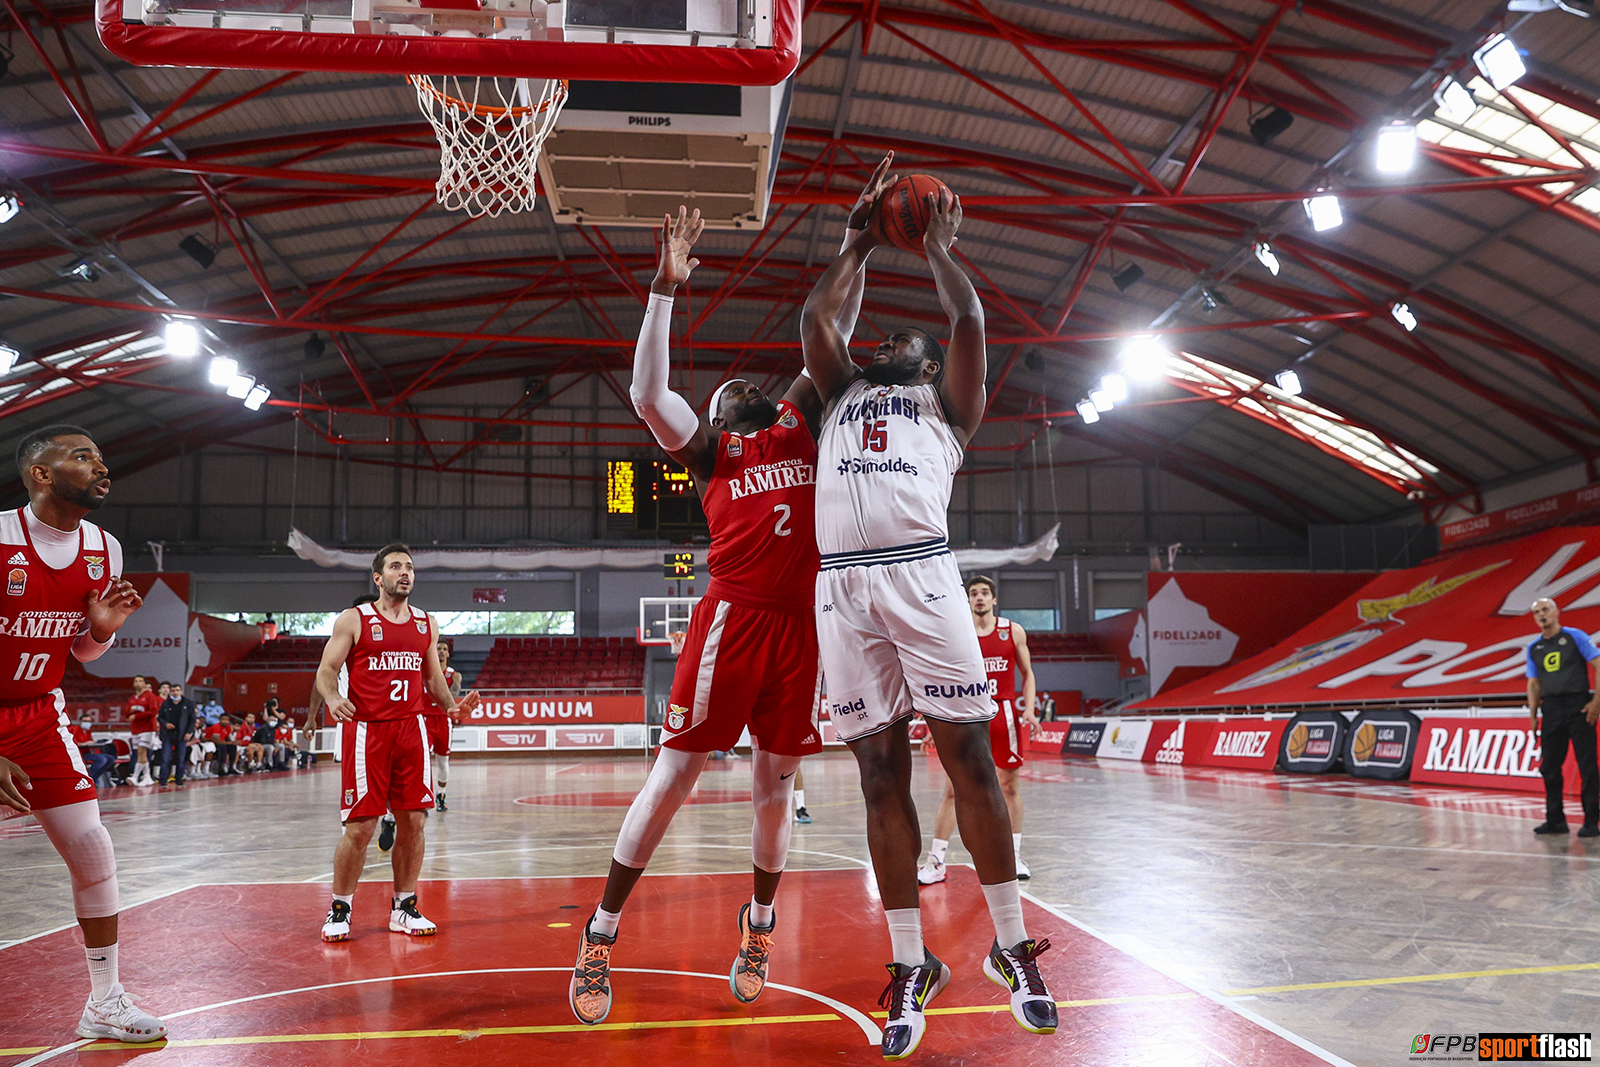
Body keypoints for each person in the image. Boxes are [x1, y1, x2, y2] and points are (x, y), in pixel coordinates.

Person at [800, 155, 1056, 1058]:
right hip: (843, 584)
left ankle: (1013, 945)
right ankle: (912, 960)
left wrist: (939, 247)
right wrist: (859, 239)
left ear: (930, 364)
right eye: (886, 341)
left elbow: (969, 317)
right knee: (878, 777)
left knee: (969, 761)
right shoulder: (837, 395)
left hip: (922, 573)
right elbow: (816, 318)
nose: (892, 343)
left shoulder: (948, 406)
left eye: (910, 341)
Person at [567, 206, 826, 1028]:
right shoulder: (717, 453)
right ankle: (601, 932)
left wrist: (856, 244)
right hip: (733, 623)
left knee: (773, 790)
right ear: (715, 417)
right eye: (727, 389)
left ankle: (758, 927)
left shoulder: (797, 427)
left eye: (752, 382)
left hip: (803, 630)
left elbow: (828, 332)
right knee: (674, 776)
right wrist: (663, 290)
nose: (743, 384)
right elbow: (648, 392)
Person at [0, 424, 166, 1043]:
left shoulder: (104, 547)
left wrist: (100, 627)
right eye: (82, 456)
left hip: (40, 715)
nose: (101, 465)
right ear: (40, 475)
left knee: (93, 850)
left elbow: (87, 655)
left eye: (99, 453)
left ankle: (105, 1002)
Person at [313, 544, 477, 942]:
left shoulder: (426, 623)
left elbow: (433, 679)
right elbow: (326, 670)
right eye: (396, 567)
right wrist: (334, 698)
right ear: (378, 578)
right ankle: (340, 908)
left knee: (414, 822)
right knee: (361, 828)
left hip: (411, 730)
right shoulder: (355, 619)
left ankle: (403, 907)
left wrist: (453, 708)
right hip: (367, 731)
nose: (405, 572)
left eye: (409, 567)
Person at [920, 576, 1039, 885]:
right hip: (968, 714)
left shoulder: (1012, 631)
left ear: (994, 599)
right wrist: (936, 723)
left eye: (985, 593)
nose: (980, 598)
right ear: (968, 600)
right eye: (974, 594)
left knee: (1009, 787)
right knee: (952, 789)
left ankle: (1013, 856)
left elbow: (1027, 674)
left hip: (1004, 713)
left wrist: (1029, 708)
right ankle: (936, 861)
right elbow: (946, 679)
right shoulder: (959, 634)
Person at [1526, 598, 1600, 837]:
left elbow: (1599, 665)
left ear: (1557, 612)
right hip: (1552, 710)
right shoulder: (1534, 648)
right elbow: (1533, 683)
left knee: (1587, 766)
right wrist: (1533, 713)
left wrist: (1596, 702)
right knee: (1549, 767)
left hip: (1578, 705)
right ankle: (1555, 820)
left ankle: (1591, 821)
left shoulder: (1575, 637)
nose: (1541, 615)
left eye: (1545, 609)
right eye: (1537, 612)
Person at [422, 638, 461, 812]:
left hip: (442, 719)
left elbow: (452, 698)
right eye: (438, 648)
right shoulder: (422, 671)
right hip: (423, 719)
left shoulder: (454, 675)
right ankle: (423, 797)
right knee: (422, 761)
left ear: (448, 653)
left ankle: (441, 794)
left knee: (443, 762)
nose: (441, 651)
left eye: (444, 649)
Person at [156, 682, 195, 786]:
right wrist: (166, 724)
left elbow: (192, 719)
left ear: (181, 691)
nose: (175, 693)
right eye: (173, 691)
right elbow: (160, 717)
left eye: (177, 690)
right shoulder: (166, 703)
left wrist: (189, 732)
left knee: (180, 758)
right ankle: (163, 780)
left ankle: (179, 780)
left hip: (182, 734)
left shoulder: (188, 703)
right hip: (168, 734)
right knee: (165, 758)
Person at [124, 676, 159, 787]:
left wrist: (137, 715)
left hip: (147, 728)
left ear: (144, 683)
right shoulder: (132, 698)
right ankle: (147, 776)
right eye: (136, 681)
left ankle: (135, 776)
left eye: (140, 681)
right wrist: (131, 712)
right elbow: (126, 713)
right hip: (136, 729)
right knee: (140, 753)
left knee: (142, 751)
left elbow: (153, 712)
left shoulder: (150, 696)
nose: (138, 683)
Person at [70, 714, 115, 787]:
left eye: (89, 721)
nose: (87, 723)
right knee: (102, 760)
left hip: (88, 752)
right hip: (80, 754)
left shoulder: (88, 731)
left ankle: (94, 778)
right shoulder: (75, 730)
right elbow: (73, 743)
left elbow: (90, 743)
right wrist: (84, 744)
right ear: (80, 722)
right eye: (85, 721)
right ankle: (89, 777)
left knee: (110, 758)